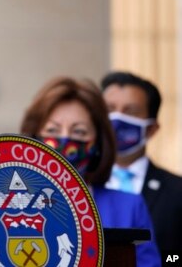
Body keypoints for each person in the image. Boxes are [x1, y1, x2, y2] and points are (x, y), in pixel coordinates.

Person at [20, 76, 161, 267]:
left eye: (79, 132)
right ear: (34, 138)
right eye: (52, 130)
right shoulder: (11, 204)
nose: (65, 140)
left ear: (98, 143)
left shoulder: (130, 206)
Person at [101, 71, 182, 258]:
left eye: (130, 111)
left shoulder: (177, 192)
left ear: (152, 128)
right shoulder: (80, 187)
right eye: (109, 109)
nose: (117, 119)